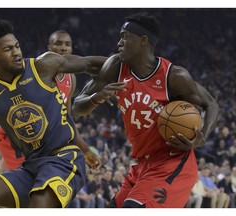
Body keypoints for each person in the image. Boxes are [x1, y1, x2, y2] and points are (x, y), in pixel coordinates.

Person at [72, 13, 219, 208]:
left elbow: (211, 104)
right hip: (142, 164)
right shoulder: (116, 66)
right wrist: (95, 98)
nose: (119, 43)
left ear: (143, 40)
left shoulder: (173, 76)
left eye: (125, 36)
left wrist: (202, 137)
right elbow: (77, 107)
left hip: (172, 163)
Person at [0, 19, 106, 208]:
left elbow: (90, 63)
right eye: (8, 49)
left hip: (64, 158)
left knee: (39, 204)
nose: (17, 52)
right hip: (31, 167)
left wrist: (126, 65)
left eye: (17, 46)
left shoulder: (42, 66)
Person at [0, 30, 101, 174]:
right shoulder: (34, 72)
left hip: (39, 142)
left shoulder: (70, 78)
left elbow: (66, 120)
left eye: (67, 44)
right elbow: (6, 113)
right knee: (29, 187)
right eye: (58, 43)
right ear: (49, 49)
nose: (63, 48)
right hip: (16, 137)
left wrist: (86, 150)